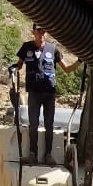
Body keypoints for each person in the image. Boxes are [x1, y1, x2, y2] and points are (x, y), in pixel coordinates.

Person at [11, 25, 60, 163]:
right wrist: (13, 68)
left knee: (49, 124)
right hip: (33, 92)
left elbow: (67, 69)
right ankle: (33, 154)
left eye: (44, 31)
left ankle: (48, 155)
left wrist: (81, 61)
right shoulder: (27, 47)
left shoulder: (53, 49)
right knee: (33, 124)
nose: (41, 33)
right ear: (33, 32)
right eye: (39, 31)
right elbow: (20, 64)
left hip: (49, 92)